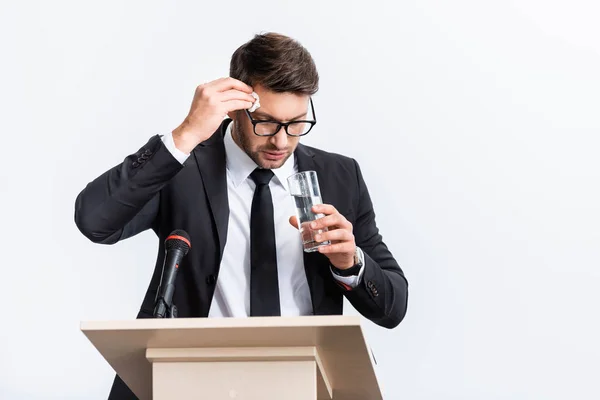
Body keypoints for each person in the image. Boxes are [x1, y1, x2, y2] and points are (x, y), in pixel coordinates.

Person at [74, 32, 408, 399]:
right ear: (234, 108)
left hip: (300, 382)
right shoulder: (184, 168)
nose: (281, 141)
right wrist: (186, 134)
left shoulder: (340, 177)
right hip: (189, 379)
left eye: (296, 123)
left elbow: (393, 306)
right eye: (265, 122)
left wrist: (351, 263)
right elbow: (95, 220)